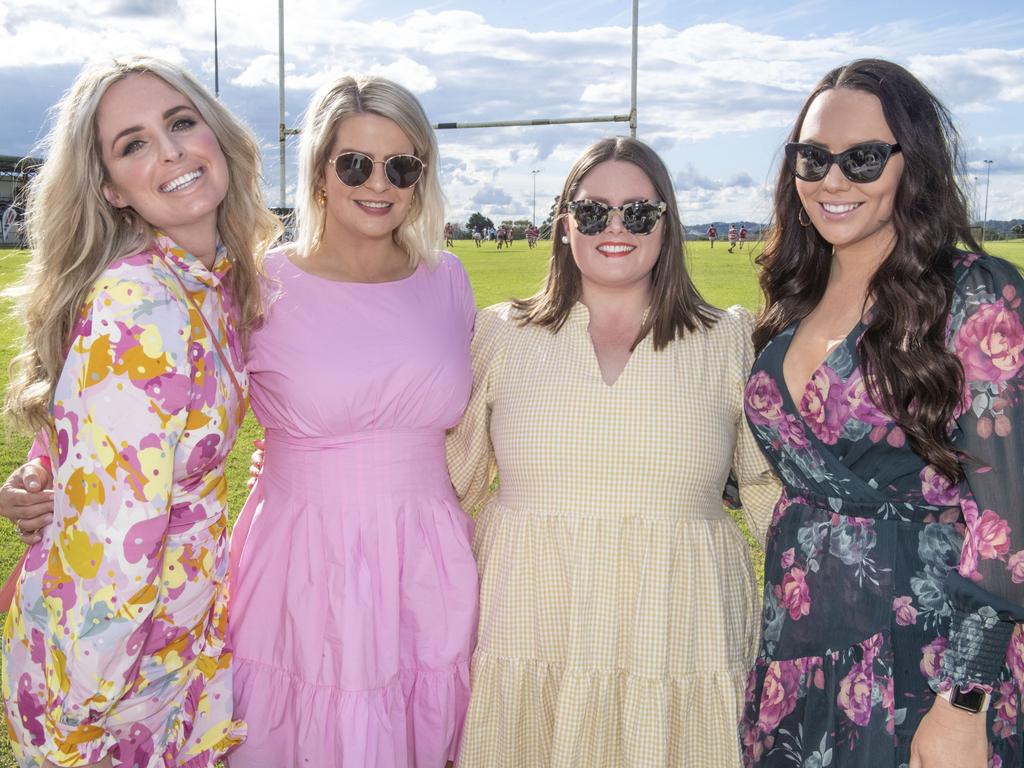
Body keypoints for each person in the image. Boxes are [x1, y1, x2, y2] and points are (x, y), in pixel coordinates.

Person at [447, 136, 780, 767]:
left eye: (639, 211)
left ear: (667, 223)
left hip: (680, 627)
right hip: (532, 619)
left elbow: (766, 490)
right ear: (565, 222)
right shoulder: (500, 334)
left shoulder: (727, 338)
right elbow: (454, 487)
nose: (615, 228)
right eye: (593, 211)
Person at [740, 58, 1024, 768]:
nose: (833, 181)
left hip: (925, 665)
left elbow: (1008, 532)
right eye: (813, 158)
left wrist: (964, 705)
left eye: (863, 159)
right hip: (797, 654)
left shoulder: (974, 297)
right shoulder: (792, 298)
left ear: (911, 164)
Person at [0, 55, 280, 767]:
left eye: (180, 122)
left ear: (214, 134)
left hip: (172, 652)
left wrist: (40, 471)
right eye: (133, 144)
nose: (170, 150)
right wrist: (82, 711)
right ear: (111, 189)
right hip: (112, 680)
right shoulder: (142, 302)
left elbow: (98, 428)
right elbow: (113, 543)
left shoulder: (205, 280)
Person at [225, 75, 477, 767]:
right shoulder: (257, 283)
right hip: (303, 557)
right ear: (320, 171)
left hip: (428, 559)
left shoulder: (447, 278)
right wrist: (46, 475)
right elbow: (167, 404)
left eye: (401, 166)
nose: (379, 183)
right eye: (355, 163)